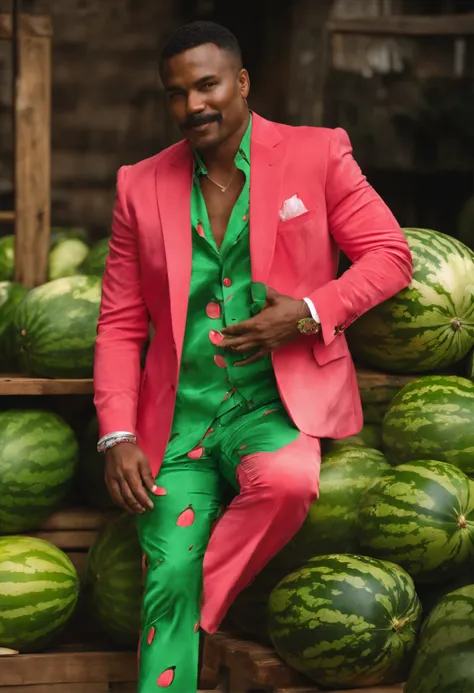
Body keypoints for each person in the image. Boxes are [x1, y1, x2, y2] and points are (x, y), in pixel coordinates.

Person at [93, 20, 413, 693]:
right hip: (181, 416)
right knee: (168, 563)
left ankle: (183, 603)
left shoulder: (316, 154)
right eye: (176, 94)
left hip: (275, 401)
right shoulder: (139, 186)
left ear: (240, 83)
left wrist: (307, 312)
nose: (193, 105)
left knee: (285, 485)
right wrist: (117, 431)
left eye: (206, 84)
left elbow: (390, 255)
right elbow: (121, 323)